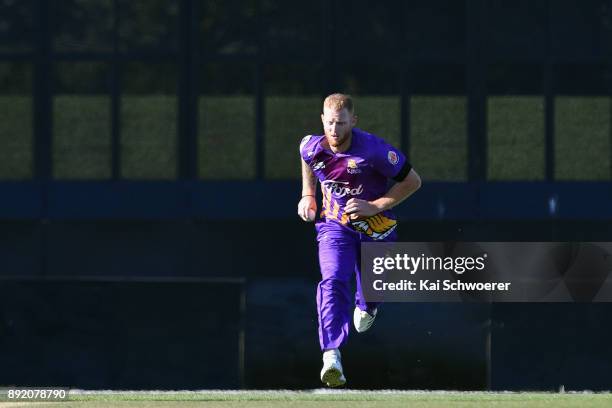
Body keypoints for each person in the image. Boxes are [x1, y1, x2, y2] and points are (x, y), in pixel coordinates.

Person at [297, 93, 422, 387]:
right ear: (322, 120)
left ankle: (368, 304)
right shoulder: (311, 146)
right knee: (333, 279)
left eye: (341, 124)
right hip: (334, 226)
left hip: (375, 226)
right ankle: (331, 355)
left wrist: (375, 206)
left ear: (353, 121)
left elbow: (413, 181)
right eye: (329, 123)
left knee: (371, 290)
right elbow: (306, 159)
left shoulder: (375, 150)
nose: (334, 130)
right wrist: (308, 194)